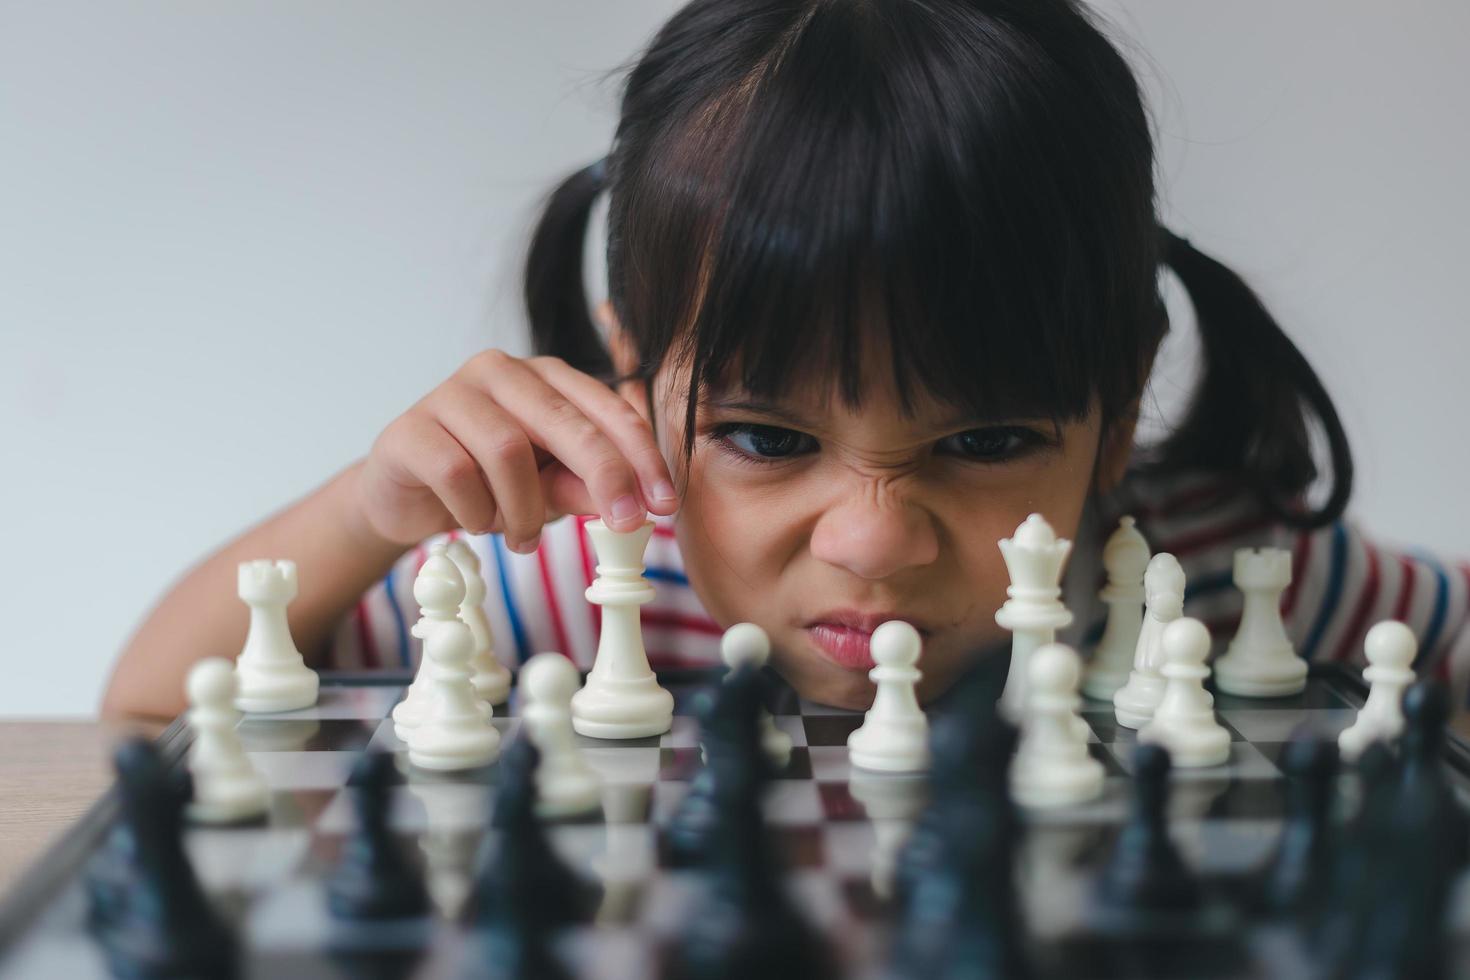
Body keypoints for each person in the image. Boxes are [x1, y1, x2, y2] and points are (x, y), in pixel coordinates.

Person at [101, 0, 1470, 721]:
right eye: (764, 436)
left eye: (984, 441)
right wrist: (358, 512)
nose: (872, 546)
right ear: (636, 382)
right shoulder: (579, 593)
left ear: (1114, 415)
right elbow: (155, 709)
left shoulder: (1219, 575)